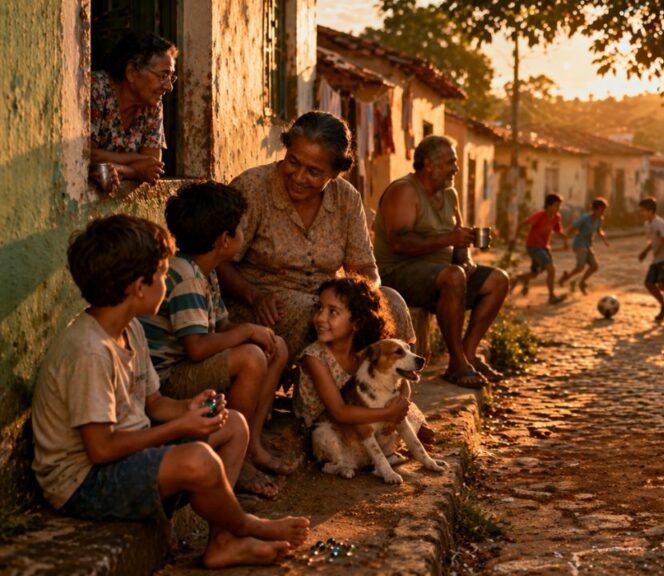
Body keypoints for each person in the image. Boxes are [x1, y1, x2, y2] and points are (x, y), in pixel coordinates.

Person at [31, 215, 309, 568]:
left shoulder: (130, 328)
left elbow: (154, 403)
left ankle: (222, 543)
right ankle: (245, 525)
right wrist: (180, 429)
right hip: (83, 483)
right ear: (138, 287)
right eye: (163, 275)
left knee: (234, 425)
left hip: (125, 455)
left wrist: (189, 410)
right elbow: (100, 450)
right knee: (198, 460)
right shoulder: (89, 350)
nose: (167, 281)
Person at [217, 111, 414, 365]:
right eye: (293, 162)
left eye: (313, 171)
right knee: (316, 314)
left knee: (392, 304)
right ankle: (321, 397)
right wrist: (254, 296)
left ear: (335, 173)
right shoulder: (254, 187)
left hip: (331, 303)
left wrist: (361, 300)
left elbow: (364, 267)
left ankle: (386, 392)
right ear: (286, 149)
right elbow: (217, 258)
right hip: (262, 306)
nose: (299, 177)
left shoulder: (346, 198)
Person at [141, 182, 294, 499]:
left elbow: (221, 325)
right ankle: (234, 452)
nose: (241, 234)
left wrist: (257, 333)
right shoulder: (184, 276)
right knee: (251, 356)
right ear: (225, 240)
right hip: (167, 381)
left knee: (275, 346)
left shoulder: (205, 270)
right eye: (239, 229)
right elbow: (197, 348)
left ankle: (252, 444)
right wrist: (249, 332)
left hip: (187, 366)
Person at [373, 135, 510, 389]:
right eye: (450, 162)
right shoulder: (404, 190)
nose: (456, 169)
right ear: (429, 164)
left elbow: (459, 239)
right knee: (454, 275)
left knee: (498, 279)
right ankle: (456, 363)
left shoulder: (450, 195)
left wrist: (465, 257)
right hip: (398, 273)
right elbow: (399, 243)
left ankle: (468, 353)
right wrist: (449, 240)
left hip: (444, 273)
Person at [296, 278, 429, 449]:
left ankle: (391, 447)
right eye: (320, 308)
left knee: (408, 419)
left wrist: (398, 409)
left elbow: (402, 382)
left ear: (357, 323)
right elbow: (339, 412)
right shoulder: (315, 357)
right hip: (329, 426)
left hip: (364, 411)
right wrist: (389, 413)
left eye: (333, 312)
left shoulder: (368, 351)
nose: (320, 317)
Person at [90, 31, 176, 187]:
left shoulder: (153, 104)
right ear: (131, 72)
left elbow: (152, 165)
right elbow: (86, 154)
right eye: (163, 76)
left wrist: (122, 169)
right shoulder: (96, 88)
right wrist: (137, 162)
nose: (169, 86)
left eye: (171, 78)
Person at [510, 193, 569, 305]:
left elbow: (557, 230)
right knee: (551, 270)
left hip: (544, 247)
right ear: (548, 205)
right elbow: (522, 224)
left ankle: (517, 278)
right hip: (533, 247)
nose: (558, 208)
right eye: (556, 205)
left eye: (559, 206)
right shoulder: (539, 215)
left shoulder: (556, 217)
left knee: (534, 274)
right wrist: (515, 238)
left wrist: (565, 239)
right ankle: (551, 297)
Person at [637, 197, 664, 321]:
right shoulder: (647, 224)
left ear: (650, 211)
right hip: (657, 259)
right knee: (649, 283)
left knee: (662, 284)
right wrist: (645, 252)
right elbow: (653, 241)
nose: (641, 213)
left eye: (643, 210)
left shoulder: (658, 222)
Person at [559, 197, 610, 295]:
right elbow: (572, 227)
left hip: (588, 245)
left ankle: (582, 282)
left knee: (594, 266)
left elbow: (599, 230)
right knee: (580, 266)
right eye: (601, 210)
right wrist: (565, 239)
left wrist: (604, 239)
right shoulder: (585, 218)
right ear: (595, 209)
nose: (603, 212)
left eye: (604, 210)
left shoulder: (599, 219)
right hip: (579, 244)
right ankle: (566, 279)